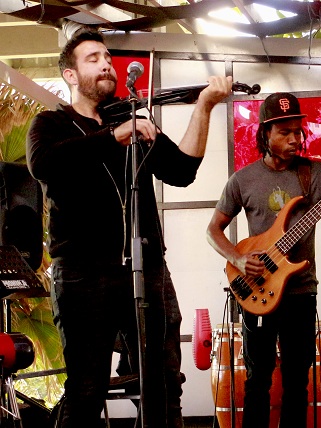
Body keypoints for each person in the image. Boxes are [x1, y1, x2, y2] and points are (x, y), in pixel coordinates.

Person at [26, 27, 232, 428]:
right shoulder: (51, 123)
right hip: (82, 272)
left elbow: (182, 171)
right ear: (70, 75)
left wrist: (204, 107)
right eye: (93, 59)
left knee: (164, 383)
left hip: (147, 267)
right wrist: (113, 137)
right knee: (87, 388)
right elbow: (44, 164)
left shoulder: (130, 118)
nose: (106, 64)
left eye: (107, 57)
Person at [206, 92, 321, 428]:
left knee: (297, 381)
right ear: (265, 134)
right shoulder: (243, 180)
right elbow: (213, 231)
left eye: (298, 131)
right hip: (257, 291)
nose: (295, 139)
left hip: (301, 293)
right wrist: (238, 258)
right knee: (257, 379)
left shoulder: (317, 174)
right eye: (285, 132)